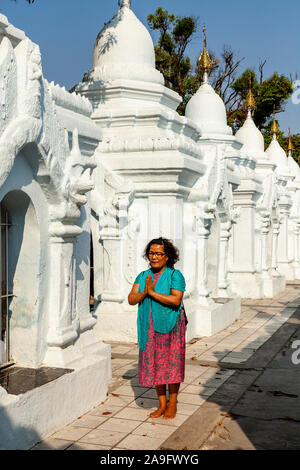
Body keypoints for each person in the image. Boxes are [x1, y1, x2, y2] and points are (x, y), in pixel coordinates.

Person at [128, 237, 187, 420]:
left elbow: (176, 299)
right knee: (155, 364)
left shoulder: (174, 276)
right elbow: (131, 299)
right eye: (151, 253)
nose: (154, 257)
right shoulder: (143, 276)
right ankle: (162, 404)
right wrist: (144, 292)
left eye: (158, 253)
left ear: (167, 256)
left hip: (171, 325)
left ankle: (173, 403)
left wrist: (152, 293)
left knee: (172, 363)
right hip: (149, 326)